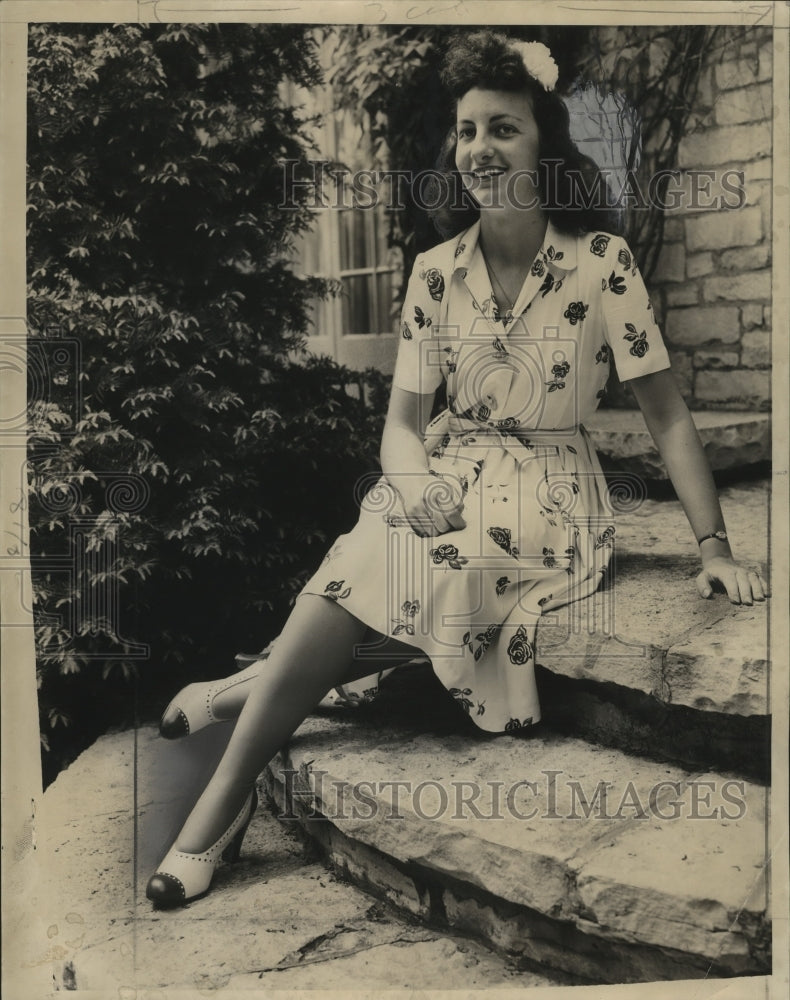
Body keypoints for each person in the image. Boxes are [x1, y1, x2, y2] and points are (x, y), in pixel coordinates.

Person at [146, 31, 769, 907]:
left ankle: (252, 691)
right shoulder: (435, 273)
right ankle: (225, 800)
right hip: (445, 467)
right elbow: (401, 427)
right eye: (468, 130)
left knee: (449, 566)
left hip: (553, 489)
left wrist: (712, 546)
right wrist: (411, 484)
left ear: (544, 146)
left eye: (504, 128)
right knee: (369, 551)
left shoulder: (601, 263)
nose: (480, 148)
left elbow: (665, 414)